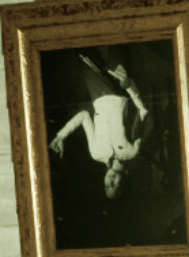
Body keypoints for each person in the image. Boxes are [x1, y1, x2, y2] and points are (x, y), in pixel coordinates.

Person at [49, 54, 152, 201]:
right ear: (125, 182)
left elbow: (84, 115)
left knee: (84, 50)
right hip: (118, 86)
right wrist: (129, 85)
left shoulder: (96, 154)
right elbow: (143, 111)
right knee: (114, 45)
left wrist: (61, 136)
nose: (110, 182)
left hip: (95, 90)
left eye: (107, 186)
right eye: (115, 186)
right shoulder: (132, 152)